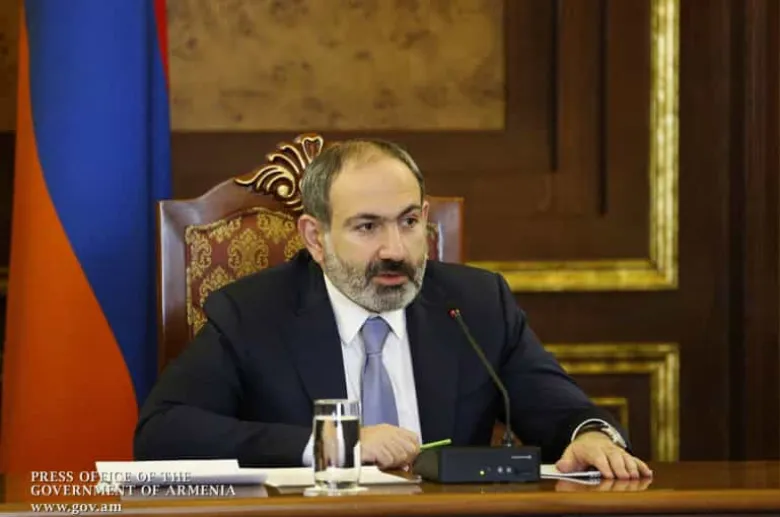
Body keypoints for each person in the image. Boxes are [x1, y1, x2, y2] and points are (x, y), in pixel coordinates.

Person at [134, 139, 652, 480]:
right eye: (367, 227)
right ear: (315, 238)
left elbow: (559, 407)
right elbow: (163, 432)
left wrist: (590, 436)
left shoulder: (477, 304)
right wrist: (338, 442)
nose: (395, 250)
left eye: (408, 222)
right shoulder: (252, 313)